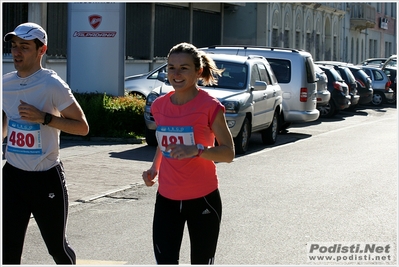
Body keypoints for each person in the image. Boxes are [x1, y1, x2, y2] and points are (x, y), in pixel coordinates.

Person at [2, 22, 89, 264]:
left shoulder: (52, 84)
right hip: (12, 178)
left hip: (45, 178)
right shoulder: (4, 84)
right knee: (7, 252)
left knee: (57, 249)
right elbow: (4, 124)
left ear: (42, 50)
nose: (16, 52)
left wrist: (44, 118)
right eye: (14, 46)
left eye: (25, 47)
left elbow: (82, 127)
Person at [142, 42, 235, 265]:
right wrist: (154, 168)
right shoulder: (159, 105)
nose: (176, 74)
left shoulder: (210, 106)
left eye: (184, 68)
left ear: (198, 71)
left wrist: (197, 150)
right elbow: (164, 142)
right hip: (167, 198)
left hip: (202, 198)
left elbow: (228, 153)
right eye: (171, 67)